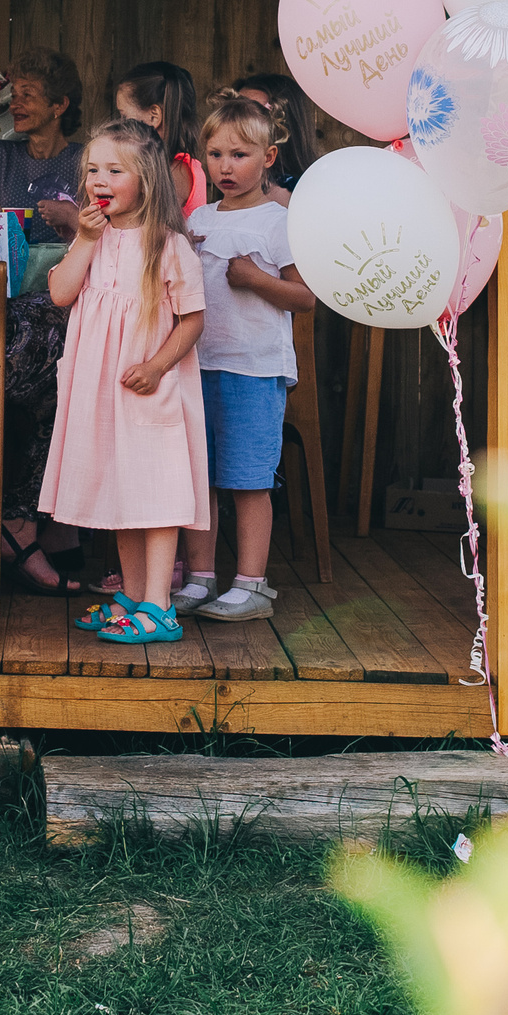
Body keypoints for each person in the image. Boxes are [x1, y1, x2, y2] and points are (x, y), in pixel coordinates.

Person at [38, 118, 209, 645]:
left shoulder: (167, 245)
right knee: (122, 487)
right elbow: (60, 294)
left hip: (149, 386)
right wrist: (84, 239)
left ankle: (160, 607)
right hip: (101, 389)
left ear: (147, 179)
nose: (99, 179)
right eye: (92, 169)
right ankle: (133, 596)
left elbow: (192, 319)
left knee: (156, 491)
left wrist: (158, 366)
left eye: (115, 169)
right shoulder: (96, 237)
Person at [175, 95, 315, 621]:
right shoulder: (201, 218)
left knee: (249, 479)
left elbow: (305, 298)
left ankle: (252, 584)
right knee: (202, 475)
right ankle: (202, 577)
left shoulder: (277, 221)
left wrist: (257, 279)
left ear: (268, 158)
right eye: (214, 155)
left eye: (239, 155)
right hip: (199, 362)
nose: (225, 167)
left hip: (255, 368)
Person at [0, 47, 85, 241]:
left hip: (70, 268)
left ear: (59, 105)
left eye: (27, 95)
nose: (14, 105)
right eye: (14, 95)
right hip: (11, 268)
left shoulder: (84, 160)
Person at [115, 60, 207, 215]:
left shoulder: (176, 170)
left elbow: (148, 224)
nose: (119, 126)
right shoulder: (170, 165)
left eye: (124, 116)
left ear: (154, 117)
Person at [230, 72, 316, 197]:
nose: (237, 121)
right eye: (232, 110)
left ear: (285, 123)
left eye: (254, 113)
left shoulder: (299, 192)